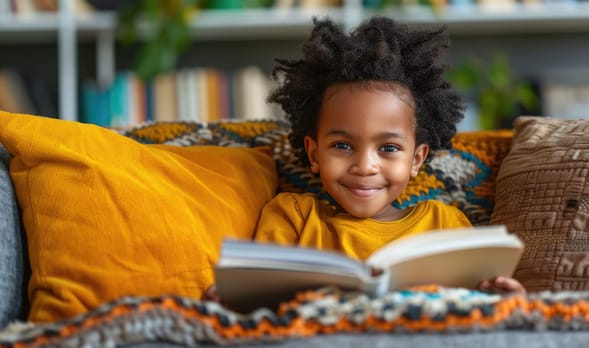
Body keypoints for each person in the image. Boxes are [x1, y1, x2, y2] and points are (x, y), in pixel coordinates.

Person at [204, 16, 524, 302]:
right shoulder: (292, 218)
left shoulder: (446, 225)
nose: (365, 166)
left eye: (388, 148)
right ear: (314, 153)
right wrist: (230, 301)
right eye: (343, 146)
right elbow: (257, 299)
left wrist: (507, 299)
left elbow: (478, 307)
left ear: (416, 160)